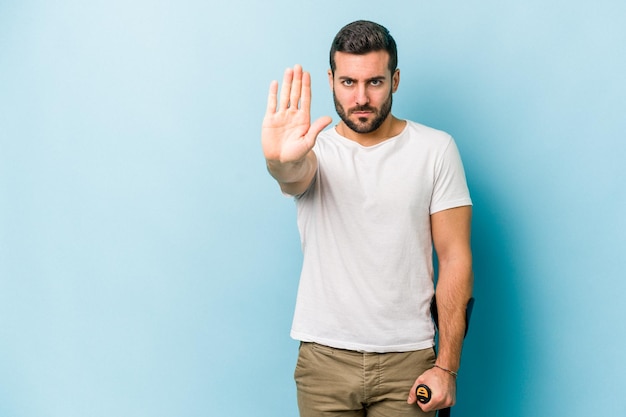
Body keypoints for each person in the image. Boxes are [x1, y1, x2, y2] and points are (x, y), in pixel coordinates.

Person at [261, 20, 473, 417]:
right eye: (348, 83)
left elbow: (456, 258)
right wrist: (278, 160)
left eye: (374, 82)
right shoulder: (313, 151)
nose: (360, 97)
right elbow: (292, 175)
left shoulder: (436, 149)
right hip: (324, 361)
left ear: (394, 80)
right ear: (331, 80)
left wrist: (446, 366)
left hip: (408, 362)